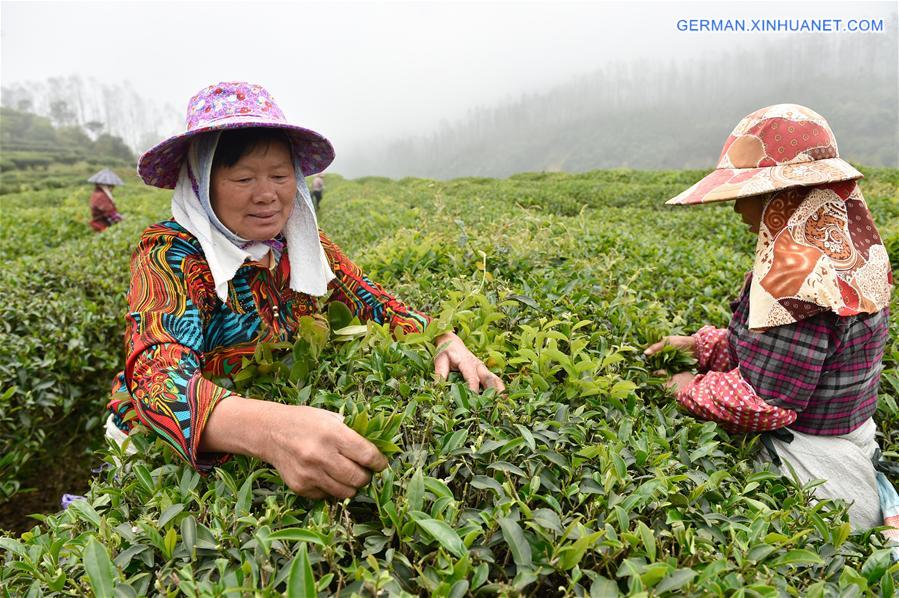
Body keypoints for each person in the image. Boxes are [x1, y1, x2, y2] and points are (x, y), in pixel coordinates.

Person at [105, 81, 504, 500]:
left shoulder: (303, 243)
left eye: (280, 176)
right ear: (201, 184)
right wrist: (275, 430)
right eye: (243, 178)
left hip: (267, 429)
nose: (268, 195)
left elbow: (373, 302)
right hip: (166, 447)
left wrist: (441, 338)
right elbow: (157, 382)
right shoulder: (171, 255)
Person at [645, 104, 898, 539]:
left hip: (817, 461)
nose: (738, 207)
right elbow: (772, 352)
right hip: (847, 428)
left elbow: (764, 401)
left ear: (786, 199)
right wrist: (702, 345)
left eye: (749, 194)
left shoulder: (803, 286)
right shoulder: (832, 260)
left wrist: (684, 388)